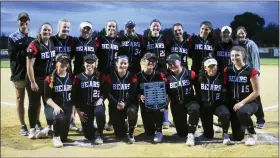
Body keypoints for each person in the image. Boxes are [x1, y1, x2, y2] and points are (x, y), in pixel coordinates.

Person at [224, 46, 260, 146]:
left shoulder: (251, 71)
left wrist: (242, 103)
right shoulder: (228, 70)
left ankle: (252, 134)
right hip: (234, 103)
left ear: (243, 56)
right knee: (238, 137)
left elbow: (256, 92)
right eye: (232, 55)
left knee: (242, 112)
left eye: (237, 55)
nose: (234, 58)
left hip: (250, 102)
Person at [26, 22, 56, 139]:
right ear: (40, 31)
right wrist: (33, 82)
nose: (47, 32)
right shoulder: (34, 44)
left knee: (48, 103)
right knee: (34, 104)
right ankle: (32, 129)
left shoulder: (51, 43)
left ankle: (49, 127)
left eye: (49, 30)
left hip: (47, 80)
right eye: (45, 30)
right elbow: (29, 66)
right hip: (36, 79)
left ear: (51, 32)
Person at [8, 12, 36, 136]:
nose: (24, 22)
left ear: (29, 21)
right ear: (18, 22)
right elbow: (14, 56)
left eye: (26, 20)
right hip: (19, 73)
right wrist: (27, 51)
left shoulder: (34, 35)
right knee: (20, 98)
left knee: (34, 99)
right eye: (21, 20)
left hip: (32, 72)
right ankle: (23, 125)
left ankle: (35, 122)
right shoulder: (12, 37)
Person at [50, 18, 79, 131]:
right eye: (64, 27)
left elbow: (72, 55)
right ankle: (53, 122)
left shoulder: (72, 40)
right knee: (55, 96)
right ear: (58, 27)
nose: (66, 29)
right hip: (55, 73)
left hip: (68, 72)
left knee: (70, 97)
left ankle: (72, 121)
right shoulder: (52, 39)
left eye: (67, 27)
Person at [165, 54, 200, 146]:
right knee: (181, 134)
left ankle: (191, 134)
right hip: (176, 104)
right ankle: (188, 130)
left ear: (180, 62)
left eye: (174, 63)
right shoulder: (166, 77)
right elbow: (166, 93)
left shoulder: (190, 73)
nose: (172, 66)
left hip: (189, 101)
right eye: (169, 64)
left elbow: (199, 86)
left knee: (194, 109)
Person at [102, 55, 138, 144]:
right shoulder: (110, 76)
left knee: (132, 111)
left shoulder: (132, 75)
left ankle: (131, 133)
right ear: (116, 64)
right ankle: (123, 125)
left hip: (129, 104)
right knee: (120, 134)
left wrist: (125, 103)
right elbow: (107, 92)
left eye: (125, 63)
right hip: (115, 105)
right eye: (121, 63)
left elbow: (133, 93)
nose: (123, 65)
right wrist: (116, 103)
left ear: (128, 64)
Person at [234, 26, 265, 129]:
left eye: (242, 33)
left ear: (245, 34)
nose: (241, 35)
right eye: (239, 34)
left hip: (250, 73)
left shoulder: (251, 44)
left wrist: (256, 73)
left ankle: (260, 119)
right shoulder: (236, 44)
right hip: (240, 73)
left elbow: (256, 59)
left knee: (255, 95)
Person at [142, 19, 170, 129]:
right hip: (150, 70)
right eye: (153, 26)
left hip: (162, 70)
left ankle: (165, 119)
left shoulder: (164, 39)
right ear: (150, 27)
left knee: (163, 93)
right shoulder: (146, 39)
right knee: (151, 93)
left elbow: (169, 52)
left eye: (157, 26)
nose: (155, 28)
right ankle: (153, 118)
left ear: (160, 27)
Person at [72, 54, 106, 144]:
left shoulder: (100, 76)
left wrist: (101, 98)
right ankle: (91, 128)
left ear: (95, 64)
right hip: (85, 107)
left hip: (96, 104)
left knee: (100, 113)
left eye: (92, 62)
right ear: (84, 63)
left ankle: (100, 133)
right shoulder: (78, 78)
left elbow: (106, 90)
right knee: (89, 136)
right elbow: (75, 96)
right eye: (87, 62)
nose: (90, 65)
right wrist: (78, 111)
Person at [198, 56, 231, 145]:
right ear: (205, 68)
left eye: (214, 66)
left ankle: (225, 133)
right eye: (210, 66)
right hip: (206, 106)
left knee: (225, 114)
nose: (213, 68)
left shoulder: (222, 77)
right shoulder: (200, 78)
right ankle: (208, 129)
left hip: (218, 105)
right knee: (208, 135)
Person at [43, 53, 74, 147]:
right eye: (62, 62)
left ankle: (49, 132)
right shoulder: (49, 79)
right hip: (51, 108)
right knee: (59, 116)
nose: (64, 64)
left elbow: (74, 98)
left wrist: (72, 113)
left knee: (64, 138)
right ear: (56, 63)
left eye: (66, 62)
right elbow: (47, 98)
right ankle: (55, 137)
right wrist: (55, 106)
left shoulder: (72, 78)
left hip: (67, 108)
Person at [136, 52, 168, 143]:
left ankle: (159, 131)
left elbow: (166, 91)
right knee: (149, 133)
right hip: (145, 105)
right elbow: (134, 91)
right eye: (149, 60)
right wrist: (139, 96)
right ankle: (151, 129)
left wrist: (164, 104)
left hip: (157, 105)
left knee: (159, 108)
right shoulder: (138, 76)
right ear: (143, 62)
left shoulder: (160, 75)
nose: (151, 63)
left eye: (153, 61)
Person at [95, 20, 121, 131]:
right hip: (101, 73)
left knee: (112, 99)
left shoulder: (118, 41)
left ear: (116, 28)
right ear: (106, 27)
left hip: (113, 74)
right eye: (109, 26)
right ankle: (98, 121)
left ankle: (111, 122)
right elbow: (94, 53)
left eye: (113, 26)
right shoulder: (100, 39)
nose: (111, 28)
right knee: (99, 97)